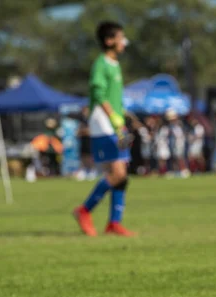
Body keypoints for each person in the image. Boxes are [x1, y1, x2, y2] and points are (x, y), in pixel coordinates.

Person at [73, 21, 135, 237]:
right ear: (109, 41)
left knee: (122, 174)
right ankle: (84, 210)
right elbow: (98, 94)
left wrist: (126, 117)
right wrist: (114, 118)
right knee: (117, 172)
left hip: (115, 121)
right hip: (103, 122)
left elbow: (114, 97)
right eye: (121, 37)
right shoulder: (101, 64)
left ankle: (114, 223)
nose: (124, 42)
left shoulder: (114, 64)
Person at [166, 109, 190, 178]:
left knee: (180, 157)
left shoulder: (179, 125)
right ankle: (175, 171)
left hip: (179, 143)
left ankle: (184, 170)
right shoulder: (171, 126)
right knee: (174, 158)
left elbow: (180, 135)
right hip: (174, 144)